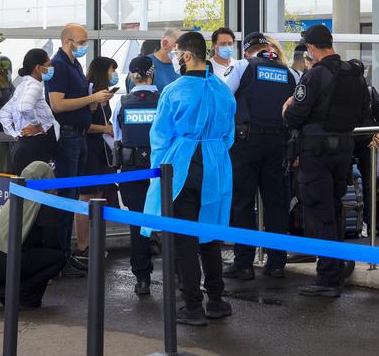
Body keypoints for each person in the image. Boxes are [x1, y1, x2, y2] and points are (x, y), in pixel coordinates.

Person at [142, 31, 236, 326]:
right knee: (210, 234)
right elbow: (229, 136)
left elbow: (159, 137)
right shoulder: (222, 90)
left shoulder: (173, 90)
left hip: (181, 166)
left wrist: (158, 176)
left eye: (176, 54)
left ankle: (193, 305)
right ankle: (217, 300)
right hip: (217, 165)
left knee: (184, 238)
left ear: (185, 56)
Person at [282, 24, 370, 297]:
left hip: (317, 153)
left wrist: (286, 109)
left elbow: (295, 115)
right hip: (343, 150)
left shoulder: (314, 76)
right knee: (333, 208)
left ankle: (328, 278)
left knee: (319, 212)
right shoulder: (354, 74)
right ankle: (338, 265)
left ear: (310, 48)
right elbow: (363, 113)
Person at [222, 33, 297, 280]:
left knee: (243, 203)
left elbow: (223, 98)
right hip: (279, 144)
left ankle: (244, 263)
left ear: (246, 51)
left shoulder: (243, 67)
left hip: (246, 144)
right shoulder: (290, 73)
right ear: (267, 47)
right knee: (276, 203)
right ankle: (276, 263)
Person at [46, 23, 113, 274]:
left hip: (80, 134)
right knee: (68, 196)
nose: (84, 46)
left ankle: (66, 254)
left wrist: (94, 104)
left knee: (74, 195)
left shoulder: (73, 64)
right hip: (68, 135)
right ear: (67, 41)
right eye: (81, 42)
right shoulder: (59, 65)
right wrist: (91, 99)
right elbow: (58, 105)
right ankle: (60, 257)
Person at [0, 161, 67, 309]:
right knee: (57, 259)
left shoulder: (16, 197)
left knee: (29, 256)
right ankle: (21, 295)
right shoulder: (44, 203)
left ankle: (4, 291)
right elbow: (53, 243)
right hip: (1, 260)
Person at [111, 56, 159, 297]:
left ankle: (142, 278)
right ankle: (180, 275)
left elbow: (118, 135)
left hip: (132, 170)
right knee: (172, 221)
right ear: (153, 74)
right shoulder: (164, 100)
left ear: (132, 76)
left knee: (138, 224)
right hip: (162, 170)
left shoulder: (122, 103)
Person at [73, 57, 118, 264]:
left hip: (100, 149)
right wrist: (105, 129)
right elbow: (84, 124)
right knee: (86, 196)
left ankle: (92, 242)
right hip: (89, 148)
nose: (114, 73)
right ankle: (83, 245)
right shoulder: (89, 93)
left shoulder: (103, 95)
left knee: (97, 196)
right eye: (112, 69)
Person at [0, 49, 59, 176]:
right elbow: (25, 107)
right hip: (34, 152)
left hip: (24, 148)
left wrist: (15, 133)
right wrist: (36, 125)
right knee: (36, 193)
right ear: (38, 68)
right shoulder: (34, 86)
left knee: (23, 193)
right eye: (48, 65)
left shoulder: (21, 87)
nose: (51, 68)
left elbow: (3, 114)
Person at [351, 60, 379, 238]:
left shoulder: (370, 91)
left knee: (369, 185)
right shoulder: (368, 90)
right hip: (349, 142)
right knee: (360, 184)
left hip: (365, 142)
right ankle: (357, 224)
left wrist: (378, 135)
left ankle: (369, 223)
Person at [127, 28, 181, 93]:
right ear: (165, 43)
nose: (180, 51)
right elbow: (133, 96)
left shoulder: (180, 66)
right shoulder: (144, 64)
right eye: (177, 47)